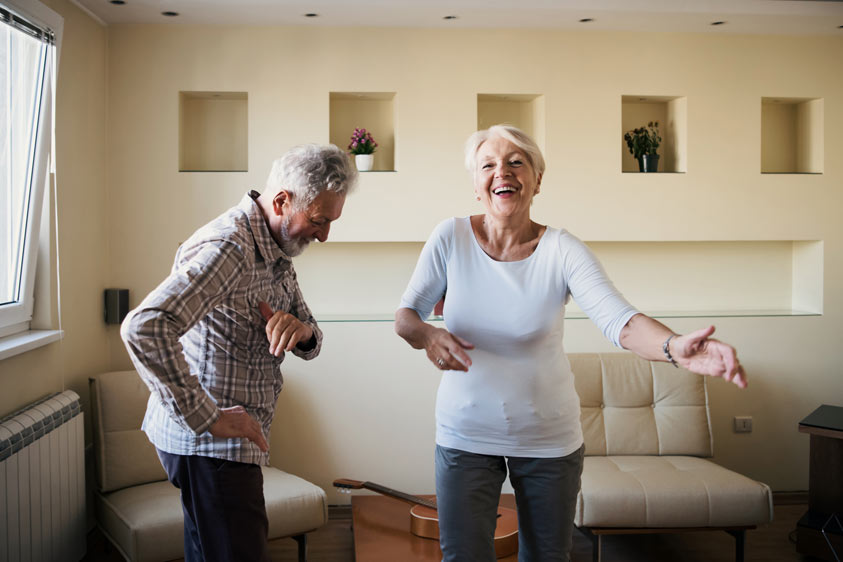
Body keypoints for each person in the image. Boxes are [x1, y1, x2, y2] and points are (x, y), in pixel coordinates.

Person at [394, 124, 746, 562]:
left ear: (537, 179)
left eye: (516, 162)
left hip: (547, 437)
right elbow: (406, 317)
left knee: (548, 556)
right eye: (489, 164)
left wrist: (676, 348)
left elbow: (621, 321)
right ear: (476, 184)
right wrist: (428, 335)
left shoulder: (562, 249)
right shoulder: (449, 238)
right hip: (465, 434)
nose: (502, 171)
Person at [121, 144, 357, 562]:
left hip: (225, 445)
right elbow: (145, 328)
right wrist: (206, 417)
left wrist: (301, 332)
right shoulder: (230, 248)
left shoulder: (276, 249)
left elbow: (313, 335)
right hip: (211, 448)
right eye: (319, 221)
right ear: (283, 201)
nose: (324, 235)